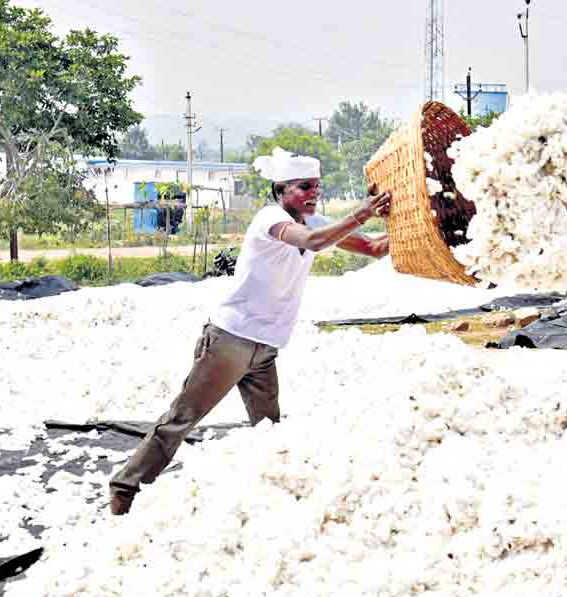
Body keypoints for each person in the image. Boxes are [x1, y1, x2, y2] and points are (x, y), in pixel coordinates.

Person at [108, 147, 392, 515]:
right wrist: (363, 212)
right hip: (231, 340)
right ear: (281, 190)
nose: (313, 193)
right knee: (182, 419)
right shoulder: (270, 220)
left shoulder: (315, 222)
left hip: (265, 347)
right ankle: (125, 488)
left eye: (316, 187)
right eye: (304, 187)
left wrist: (404, 223)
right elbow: (312, 242)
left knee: (269, 430)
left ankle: (270, 497)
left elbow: (371, 247)